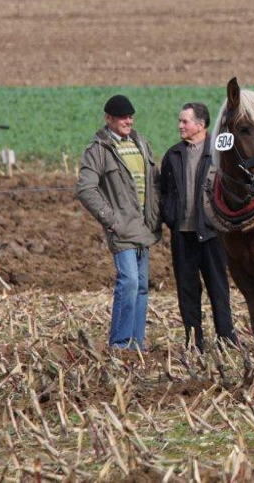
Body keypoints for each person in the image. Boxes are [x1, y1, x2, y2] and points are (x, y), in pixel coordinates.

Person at [76, 95, 161, 350]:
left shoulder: (141, 144)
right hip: (121, 229)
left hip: (144, 227)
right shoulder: (99, 150)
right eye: (123, 117)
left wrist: (156, 218)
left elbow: (154, 183)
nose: (128, 121)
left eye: (130, 116)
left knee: (142, 286)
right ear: (108, 119)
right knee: (130, 282)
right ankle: (120, 343)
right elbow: (85, 189)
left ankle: (137, 343)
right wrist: (110, 220)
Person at [159, 102, 238, 352]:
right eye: (180, 121)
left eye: (185, 121)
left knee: (218, 288)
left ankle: (226, 340)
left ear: (200, 125)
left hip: (213, 233)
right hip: (182, 235)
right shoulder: (172, 155)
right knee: (187, 290)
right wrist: (169, 216)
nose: (180, 125)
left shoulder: (220, 152)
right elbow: (164, 193)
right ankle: (194, 342)